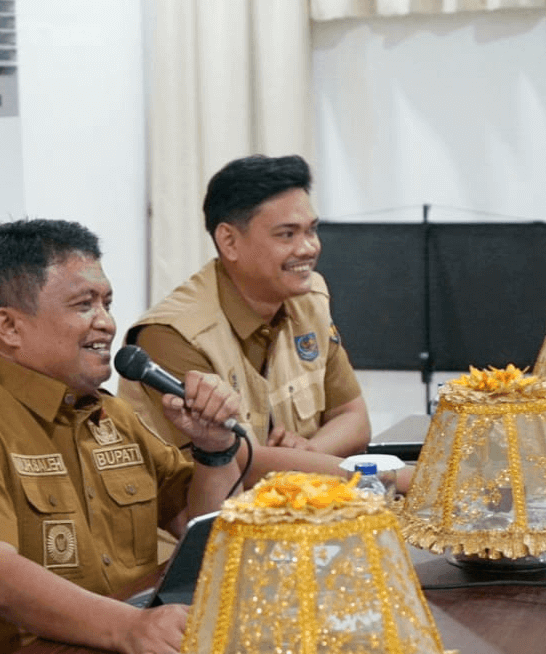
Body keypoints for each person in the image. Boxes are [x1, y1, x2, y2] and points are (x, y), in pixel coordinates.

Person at [0, 219, 242, 654]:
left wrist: (214, 449)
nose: (107, 323)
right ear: (9, 327)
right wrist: (129, 628)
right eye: (83, 305)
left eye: (107, 303)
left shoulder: (110, 415)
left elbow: (200, 531)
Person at [120, 154, 373, 483]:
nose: (309, 248)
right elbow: (241, 461)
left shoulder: (309, 298)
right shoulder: (171, 334)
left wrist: (308, 452)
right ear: (229, 241)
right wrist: (399, 477)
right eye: (287, 235)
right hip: (206, 515)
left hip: (295, 505)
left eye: (311, 230)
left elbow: (354, 418)